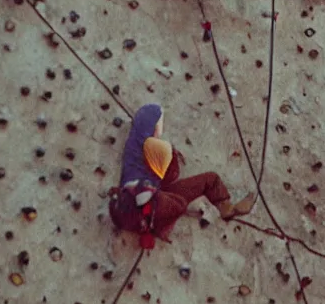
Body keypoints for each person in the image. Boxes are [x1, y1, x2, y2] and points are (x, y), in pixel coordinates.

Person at [110, 104, 256, 246]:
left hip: (153, 193)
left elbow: (168, 175)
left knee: (210, 179)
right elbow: (171, 175)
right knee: (178, 203)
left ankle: (226, 207)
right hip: (141, 205)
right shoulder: (142, 150)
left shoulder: (142, 147)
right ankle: (159, 228)